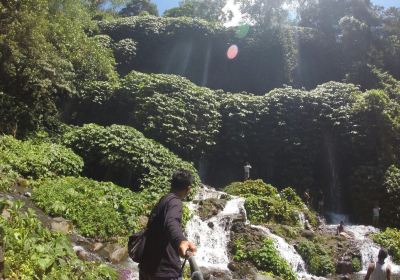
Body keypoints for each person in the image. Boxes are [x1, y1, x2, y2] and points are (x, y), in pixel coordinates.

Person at [139, 169, 197, 280]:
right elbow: (171, 221)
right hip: (164, 271)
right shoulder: (175, 202)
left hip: (147, 267)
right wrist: (181, 240)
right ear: (188, 188)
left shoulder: (164, 199)